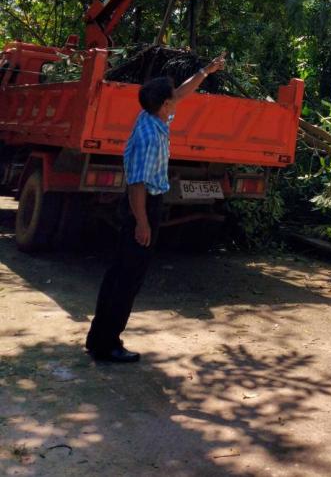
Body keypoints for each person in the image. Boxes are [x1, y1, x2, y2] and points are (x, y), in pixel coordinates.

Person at [85, 53, 226, 363]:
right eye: (171, 97)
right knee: (128, 278)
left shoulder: (152, 117)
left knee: (119, 273)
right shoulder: (150, 136)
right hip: (142, 206)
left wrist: (206, 71)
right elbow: (137, 184)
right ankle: (108, 345)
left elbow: (182, 93)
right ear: (164, 104)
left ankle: (98, 338)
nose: (176, 99)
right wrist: (142, 223)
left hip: (144, 205)